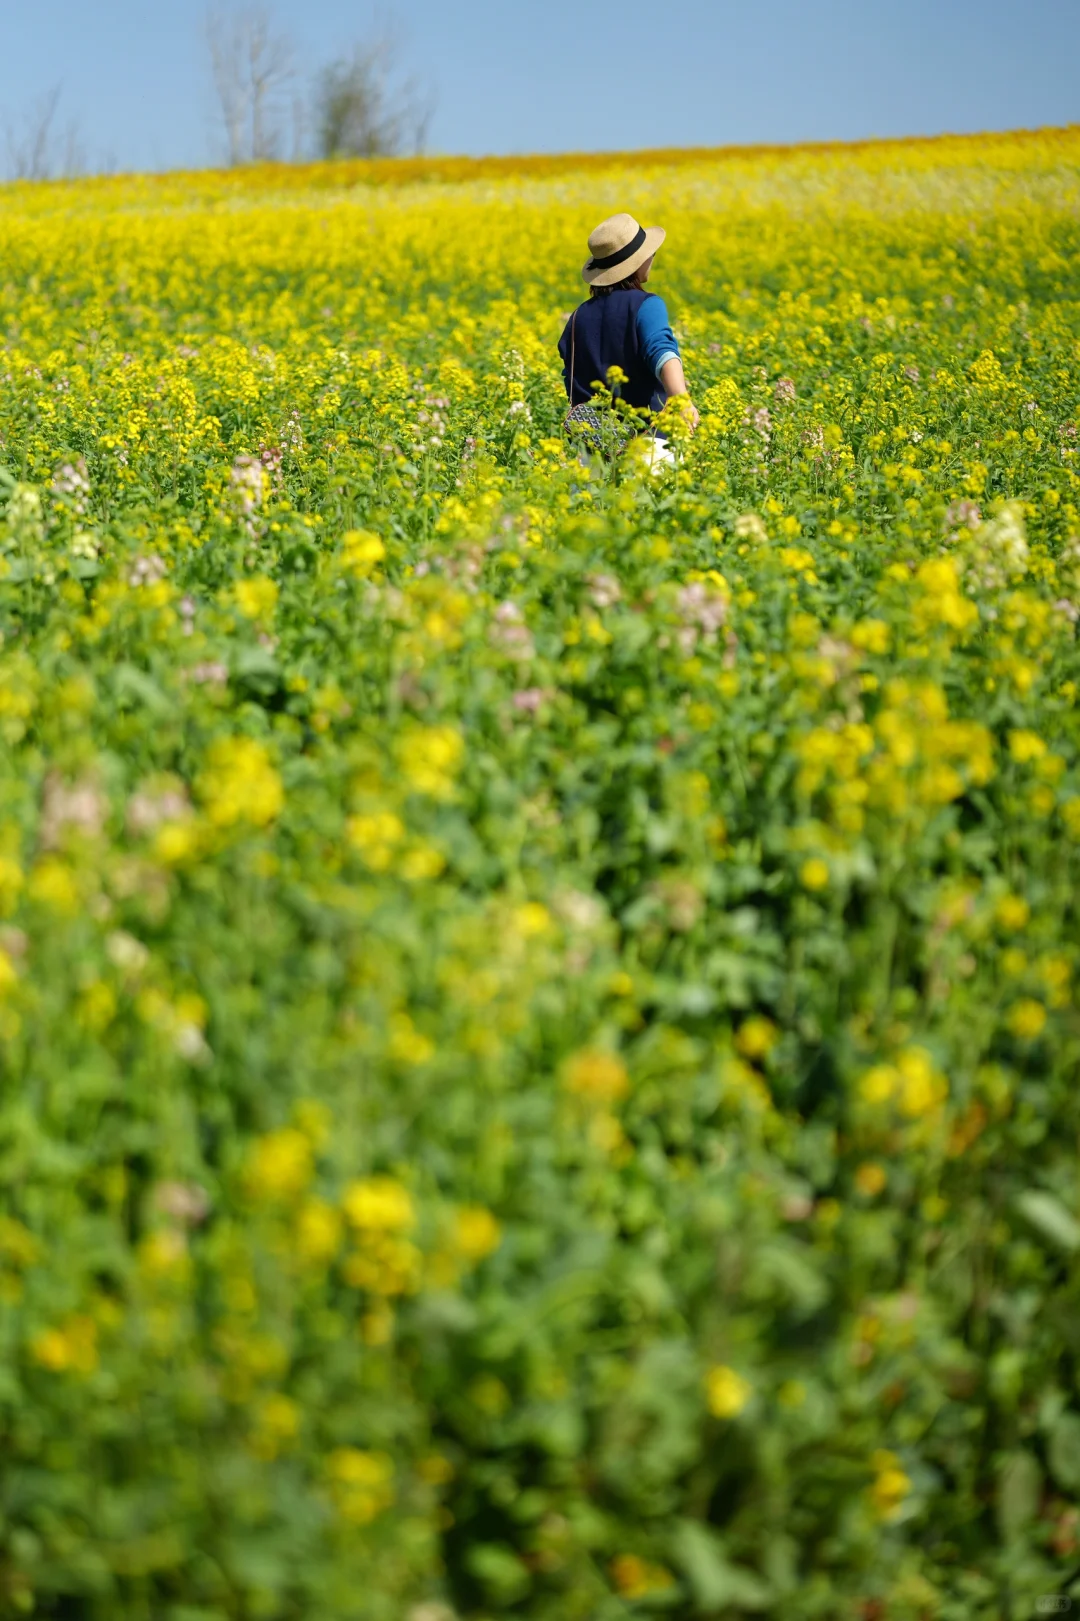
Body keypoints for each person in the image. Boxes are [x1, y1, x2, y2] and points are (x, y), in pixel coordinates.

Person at [558, 212, 699, 459]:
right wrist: (681, 399)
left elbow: (571, 379)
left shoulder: (577, 317)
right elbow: (662, 351)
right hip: (648, 448)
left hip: (591, 455)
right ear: (636, 263)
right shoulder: (647, 305)